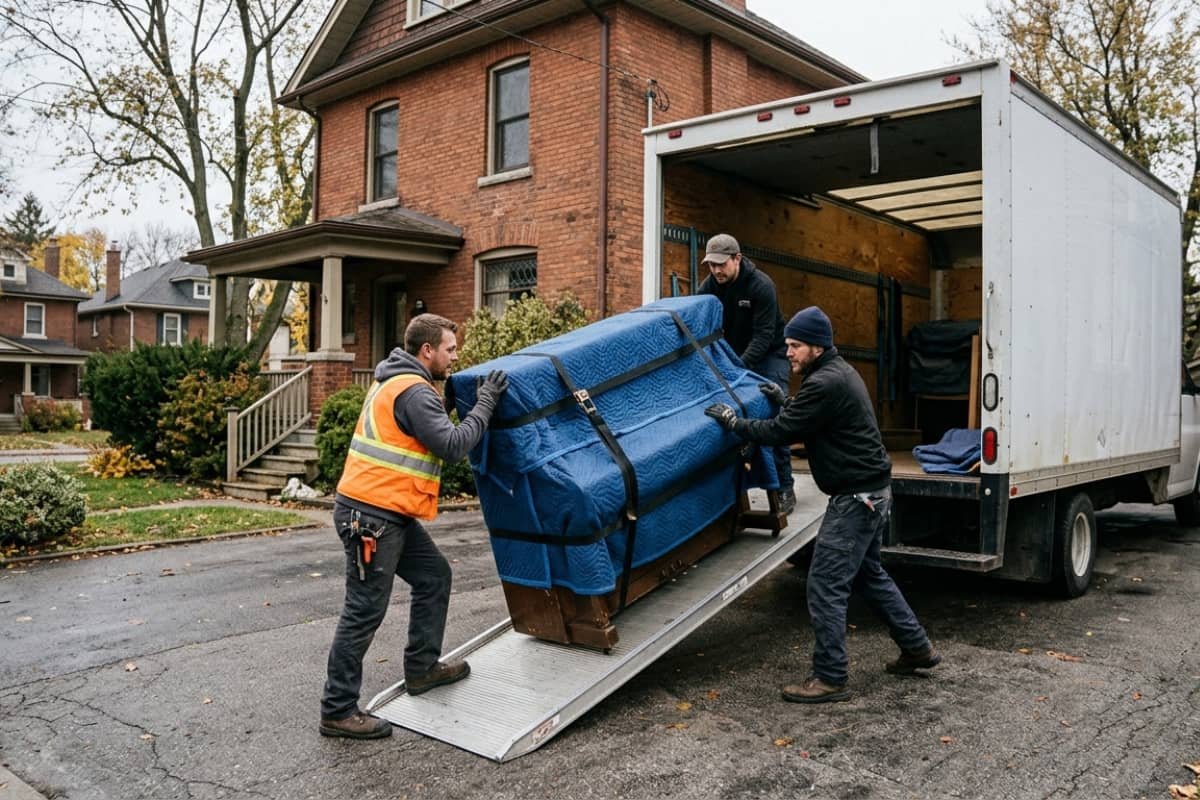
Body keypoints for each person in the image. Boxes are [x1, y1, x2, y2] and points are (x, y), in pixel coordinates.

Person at [704, 306, 940, 704]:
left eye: (795, 346)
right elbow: (807, 417)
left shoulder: (825, 382)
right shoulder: (835, 373)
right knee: (869, 575)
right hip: (872, 493)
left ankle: (830, 677)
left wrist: (734, 424)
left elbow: (782, 431)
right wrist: (783, 398)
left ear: (816, 346)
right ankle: (917, 648)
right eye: (788, 345)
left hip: (856, 499)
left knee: (825, 583)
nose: (788, 353)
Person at [319, 314, 509, 739]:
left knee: (434, 577)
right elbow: (454, 445)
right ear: (428, 351)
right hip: (372, 518)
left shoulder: (398, 382)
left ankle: (422, 669)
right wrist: (487, 402)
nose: (454, 357)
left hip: (385, 513)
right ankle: (337, 710)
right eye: (450, 350)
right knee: (363, 610)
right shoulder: (413, 391)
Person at [697, 233, 795, 514]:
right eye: (711, 265)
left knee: (775, 413)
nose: (716, 271)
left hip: (770, 355)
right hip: (735, 355)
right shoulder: (710, 287)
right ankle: (733, 491)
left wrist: (735, 369)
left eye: (721, 264)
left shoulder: (761, 286)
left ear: (737, 259)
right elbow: (695, 322)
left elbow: (764, 337)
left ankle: (785, 487)